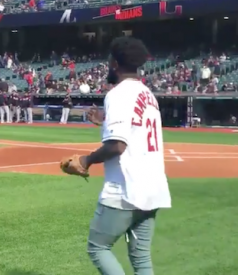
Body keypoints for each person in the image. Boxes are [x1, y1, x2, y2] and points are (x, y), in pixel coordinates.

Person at [62, 36, 171, 275]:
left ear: (114, 63)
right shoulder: (147, 94)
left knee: (98, 247)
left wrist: (86, 160)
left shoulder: (119, 94)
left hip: (126, 188)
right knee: (140, 256)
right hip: (153, 187)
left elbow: (117, 146)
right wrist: (104, 123)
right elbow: (133, 133)